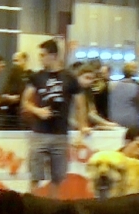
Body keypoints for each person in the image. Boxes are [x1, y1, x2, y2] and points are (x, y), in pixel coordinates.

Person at [21, 39, 89, 198]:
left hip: (60, 133)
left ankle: (52, 207)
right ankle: (33, 206)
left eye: (43, 55)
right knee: (35, 176)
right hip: (40, 132)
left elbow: (81, 104)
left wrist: (82, 127)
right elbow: (25, 101)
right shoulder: (36, 77)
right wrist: (37, 110)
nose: (40, 58)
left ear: (53, 55)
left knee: (57, 177)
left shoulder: (69, 78)